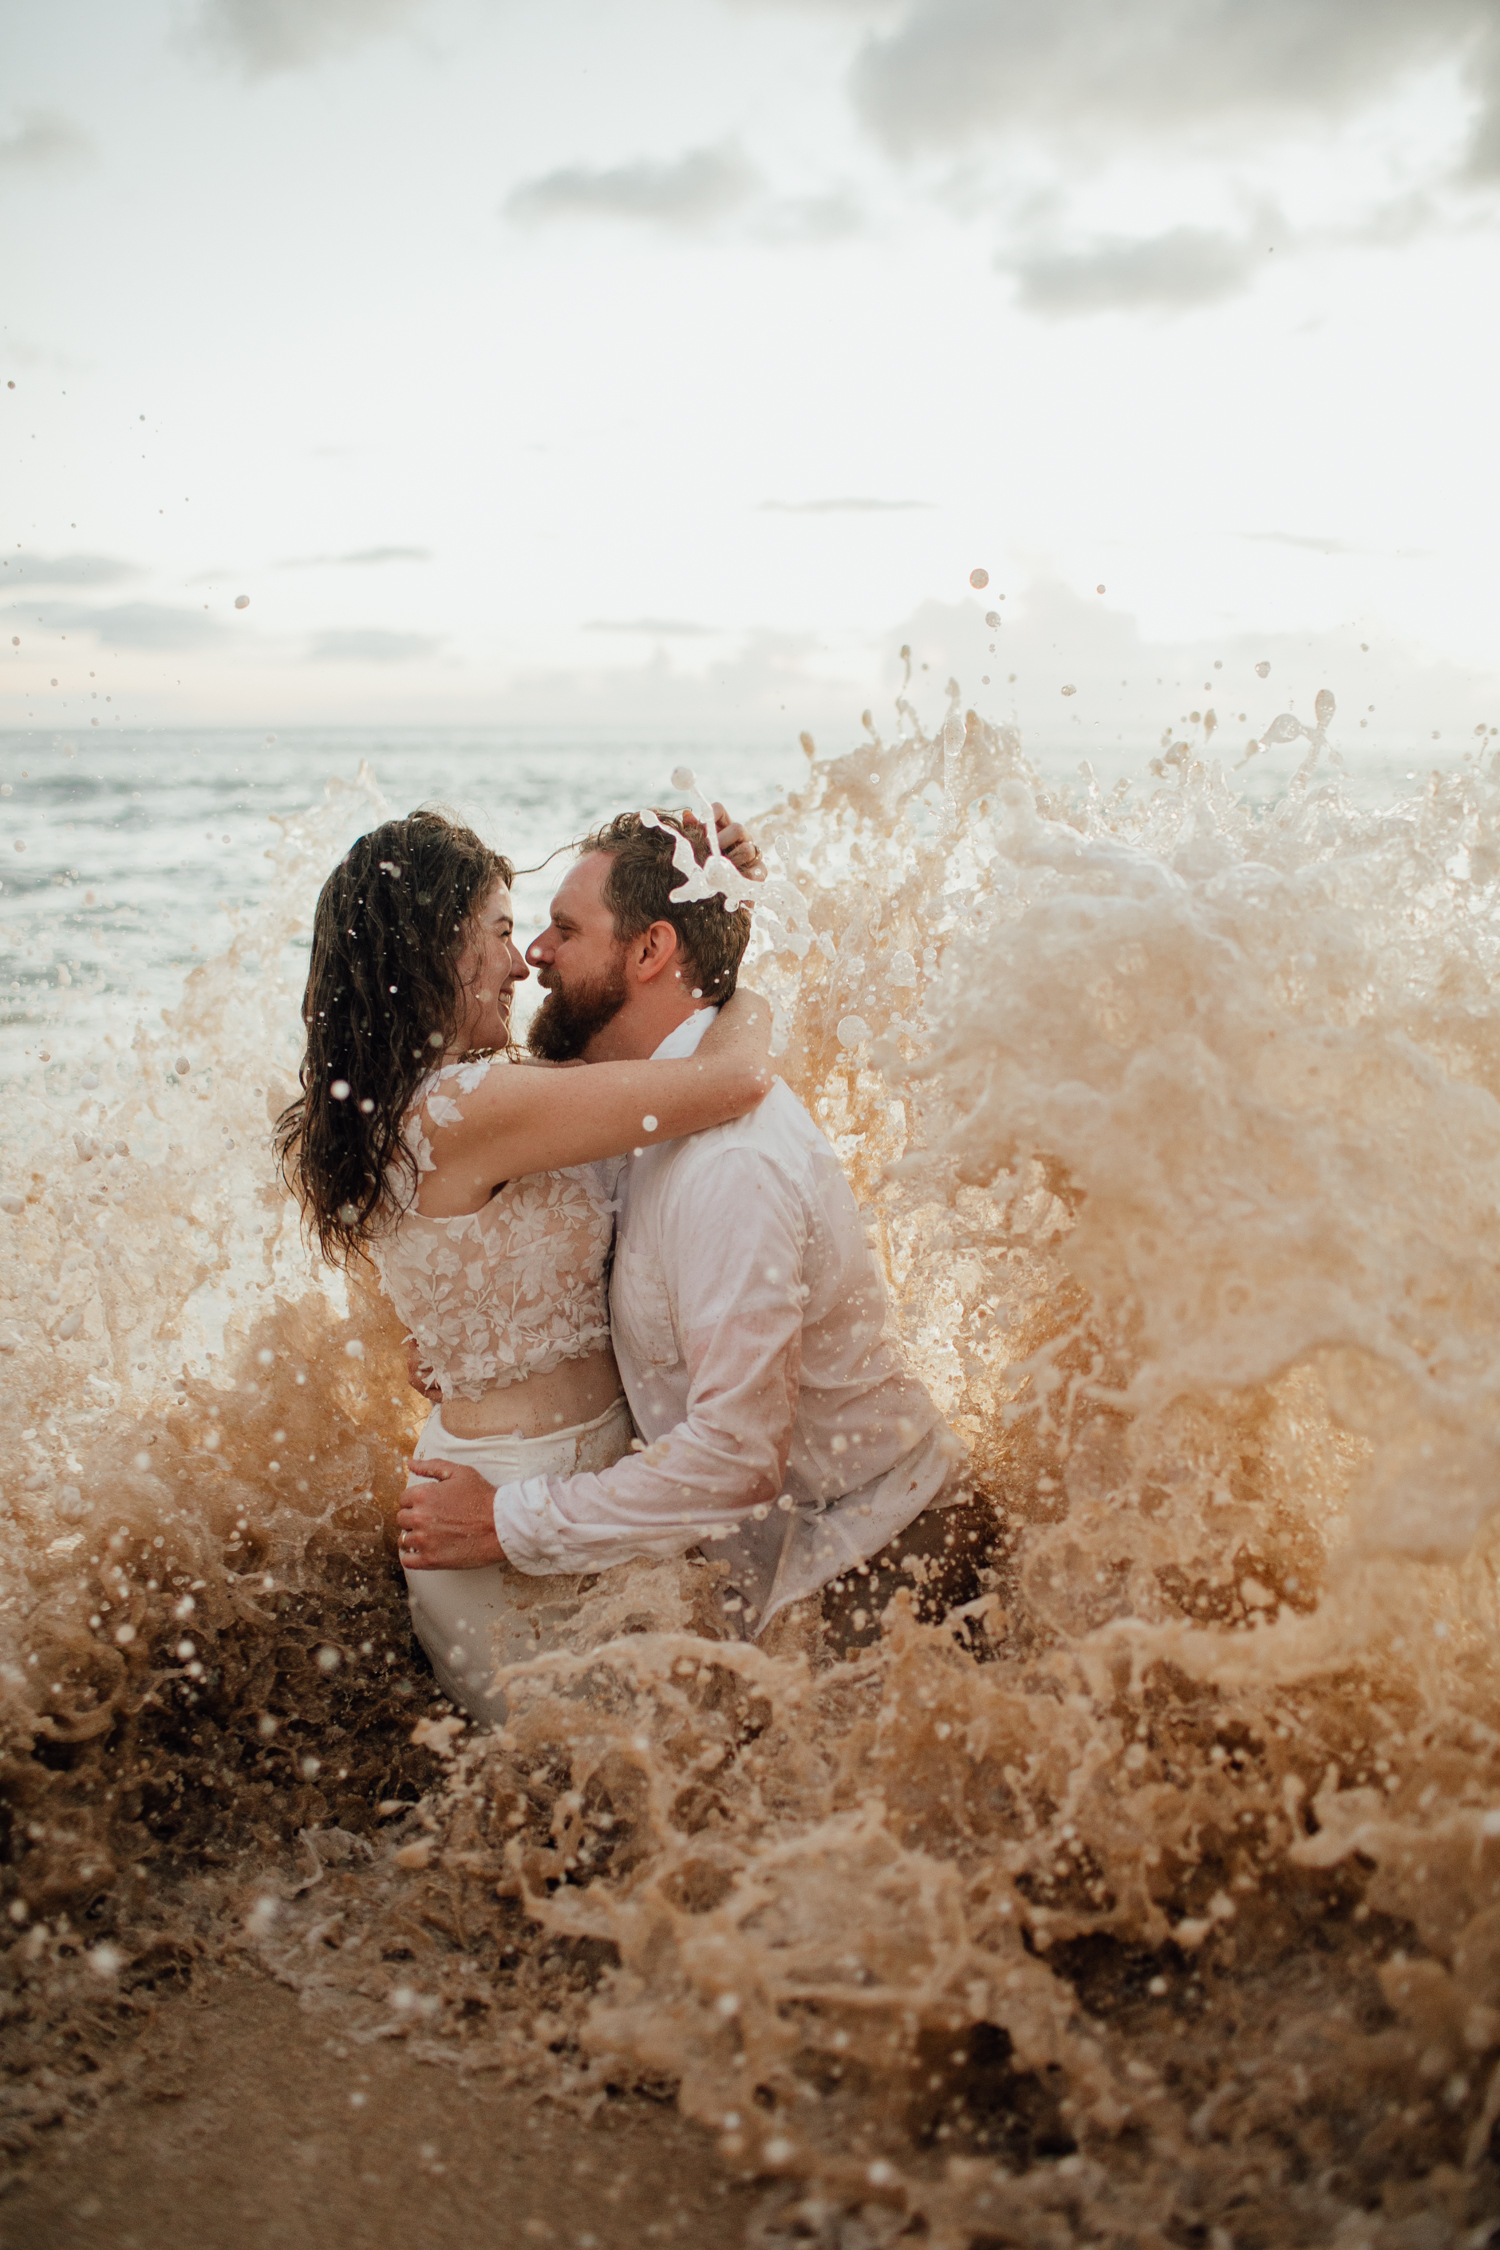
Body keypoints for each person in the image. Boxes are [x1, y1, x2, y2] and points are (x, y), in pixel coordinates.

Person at [399, 809, 986, 1673]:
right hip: (790, 1561)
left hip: (879, 1561)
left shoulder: (728, 1168)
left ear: (649, 952)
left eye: (565, 930)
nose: (537, 957)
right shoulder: (633, 1107)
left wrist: (506, 1522)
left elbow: (737, 1457)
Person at [275, 803, 773, 1721]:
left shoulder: (412, 1105)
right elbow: (732, 1081)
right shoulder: (464, 1107)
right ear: (433, 951)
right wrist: (744, 986)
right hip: (499, 1516)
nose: (520, 962)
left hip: (544, 1483)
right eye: (500, 933)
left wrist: (717, 907)